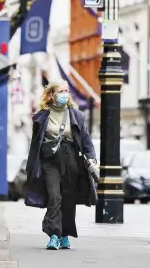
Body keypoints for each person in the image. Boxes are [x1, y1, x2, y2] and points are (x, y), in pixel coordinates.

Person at [24, 80, 99, 250]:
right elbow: (35, 144)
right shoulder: (41, 116)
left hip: (71, 160)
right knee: (54, 196)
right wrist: (31, 166)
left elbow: (86, 140)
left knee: (68, 198)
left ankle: (65, 235)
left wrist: (92, 159)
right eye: (61, 91)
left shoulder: (76, 115)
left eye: (66, 91)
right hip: (49, 161)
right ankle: (54, 235)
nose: (65, 94)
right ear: (51, 94)